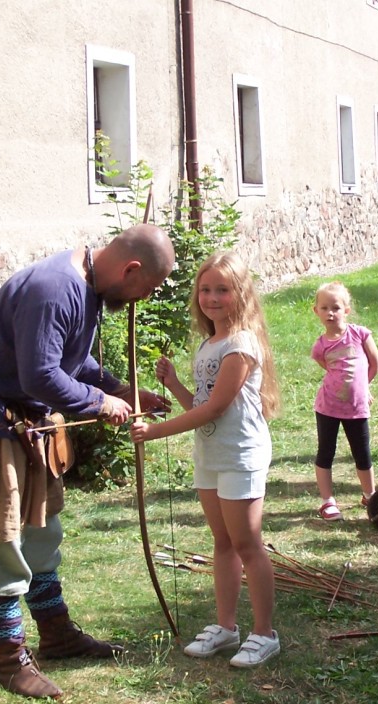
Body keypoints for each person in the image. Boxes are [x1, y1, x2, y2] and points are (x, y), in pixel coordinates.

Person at [0, 224, 177, 699]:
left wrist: (118, 388)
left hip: (30, 424)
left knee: (40, 530)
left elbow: (71, 359)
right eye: (147, 288)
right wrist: (99, 402)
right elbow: (39, 375)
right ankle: (9, 660)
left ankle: (56, 635)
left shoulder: (87, 286)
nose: (143, 298)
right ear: (131, 269)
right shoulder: (54, 289)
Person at [130, 252, 282, 669]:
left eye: (222, 290)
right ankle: (227, 627)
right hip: (211, 454)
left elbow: (216, 408)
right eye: (205, 289)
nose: (212, 298)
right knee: (222, 543)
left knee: (247, 543)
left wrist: (155, 431)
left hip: (240, 454)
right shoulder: (209, 344)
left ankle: (265, 633)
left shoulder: (241, 344)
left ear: (241, 294)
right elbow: (201, 405)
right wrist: (175, 384)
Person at [311, 281, 378, 520]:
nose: (330, 313)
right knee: (326, 452)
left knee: (362, 453)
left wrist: (363, 387)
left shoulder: (360, 334)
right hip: (328, 407)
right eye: (324, 308)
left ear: (346, 310)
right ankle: (327, 501)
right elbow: (328, 367)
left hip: (356, 408)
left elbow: (375, 364)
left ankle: (370, 495)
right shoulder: (320, 346)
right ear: (316, 311)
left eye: (336, 308)